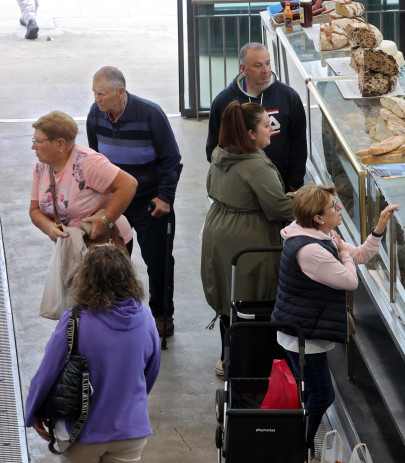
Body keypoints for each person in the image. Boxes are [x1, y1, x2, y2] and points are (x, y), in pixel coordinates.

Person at [271, 185, 398, 455]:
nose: (339, 208)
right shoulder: (311, 250)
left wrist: (379, 227)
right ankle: (300, 448)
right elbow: (350, 280)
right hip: (303, 336)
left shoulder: (320, 234)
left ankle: (299, 440)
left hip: (305, 327)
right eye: (333, 206)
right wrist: (341, 252)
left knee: (310, 392)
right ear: (317, 217)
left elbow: (361, 255)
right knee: (322, 395)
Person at [25, 244, 161, 462]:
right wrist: (131, 403)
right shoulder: (145, 318)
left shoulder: (74, 320)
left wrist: (33, 410)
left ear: (85, 278)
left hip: (81, 433)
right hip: (130, 432)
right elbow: (151, 372)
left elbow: (48, 372)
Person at [86, 66, 183, 337]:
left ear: (120, 92)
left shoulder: (151, 114)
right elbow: (96, 159)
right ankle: (118, 314)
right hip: (117, 203)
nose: (97, 100)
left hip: (151, 203)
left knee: (159, 260)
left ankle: (162, 314)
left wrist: (165, 197)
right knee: (113, 261)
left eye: (102, 94)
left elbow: (171, 160)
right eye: (94, 94)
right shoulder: (96, 115)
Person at [201, 101, 295, 376]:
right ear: (250, 134)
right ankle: (254, 368)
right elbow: (277, 207)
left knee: (229, 299)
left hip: (218, 232)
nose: (271, 129)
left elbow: (210, 187)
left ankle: (227, 357)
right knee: (252, 301)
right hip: (248, 238)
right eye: (266, 125)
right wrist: (307, 200)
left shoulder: (221, 152)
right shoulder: (255, 165)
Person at [205, 42, 307, 192]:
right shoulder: (224, 101)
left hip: (281, 185)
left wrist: (295, 182)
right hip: (239, 187)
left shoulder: (288, 97)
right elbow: (214, 147)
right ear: (243, 68)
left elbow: (299, 142)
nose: (265, 70)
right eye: (258, 66)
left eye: (268, 63)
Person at [29, 110, 136, 248]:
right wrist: (49, 227)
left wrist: (105, 220)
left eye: (38, 141)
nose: (33, 147)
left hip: (106, 245)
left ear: (60, 144)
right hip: (73, 246)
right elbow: (34, 210)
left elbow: (129, 184)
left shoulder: (87, 162)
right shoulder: (41, 167)